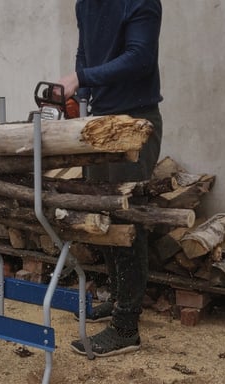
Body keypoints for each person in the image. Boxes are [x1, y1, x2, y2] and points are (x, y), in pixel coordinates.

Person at [55, 0, 163, 357]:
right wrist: (80, 98)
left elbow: (140, 57)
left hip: (133, 122)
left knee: (125, 219)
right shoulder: (86, 3)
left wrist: (82, 78)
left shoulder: (140, 2)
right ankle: (117, 300)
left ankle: (126, 327)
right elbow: (84, 51)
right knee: (101, 212)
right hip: (99, 120)